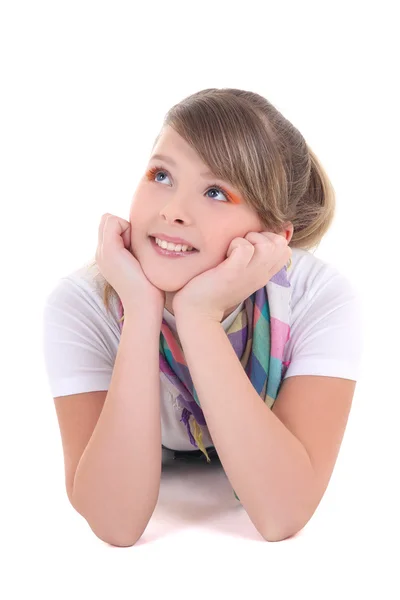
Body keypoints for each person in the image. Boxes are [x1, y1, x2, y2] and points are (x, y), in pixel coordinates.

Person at [42, 87, 363, 546]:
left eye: (215, 192)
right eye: (161, 175)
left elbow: (283, 513)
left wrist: (198, 317)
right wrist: (141, 309)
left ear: (273, 237)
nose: (172, 211)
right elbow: (114, 523)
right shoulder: (84, 302)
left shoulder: (319, 298)